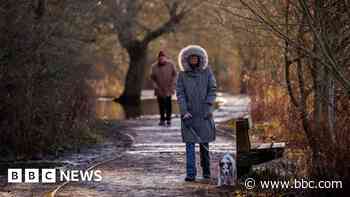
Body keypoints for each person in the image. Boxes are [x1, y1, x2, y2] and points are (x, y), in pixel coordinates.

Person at [176, 45, 217, 181]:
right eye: (191, 58)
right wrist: (184, 111)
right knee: (189, 145)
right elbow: (180, 94)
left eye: (196, 58)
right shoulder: (182, 75)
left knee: (204, 144)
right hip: (189, 114)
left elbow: (212, 89)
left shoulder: (207, 72)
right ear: (186, 60)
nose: (193, 60)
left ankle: (206, 172)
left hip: (204, 113)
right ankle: (191, 174)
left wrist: (208, 106)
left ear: (200, 59)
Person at [150, 51, 177, 126]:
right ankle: (162, 119)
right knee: (161, 104)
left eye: (163, 58)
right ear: (158, 58)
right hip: (159, 88)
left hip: (169, 87)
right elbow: (152, 77)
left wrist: (173, 82)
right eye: (160, 58)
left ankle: (168, 119)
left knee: (168, 103)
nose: (161, 59)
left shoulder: (171, 64)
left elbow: (175, 74)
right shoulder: (154, 66)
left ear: (165, 58)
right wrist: (154, 84)